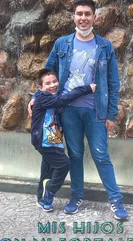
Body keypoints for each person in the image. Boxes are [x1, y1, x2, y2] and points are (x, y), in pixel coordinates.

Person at [29, 0, 128, 220]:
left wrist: (111, 113)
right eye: (79, 14)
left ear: (95, 17)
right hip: (68, 111)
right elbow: (48, 72)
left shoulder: (105, 46)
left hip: (95, 111)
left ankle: (116, 200)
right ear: (73, 16)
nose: (83, 18)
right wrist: (36, 97)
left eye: (87, 14)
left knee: (101, 155)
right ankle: (76, 197)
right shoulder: (62, 44)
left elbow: (113, 82)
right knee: (74, 155)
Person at [31, 67, 96, 212]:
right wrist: (86, 89)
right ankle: (50, 191)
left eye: (55, 81)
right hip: (44, 141)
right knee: (64, 164)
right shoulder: (43, 97)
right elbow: (62, 100)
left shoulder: (48, 96)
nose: (53, 85)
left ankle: (42, 200)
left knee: (47, 169)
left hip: (51, 140)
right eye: (48, 83)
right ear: (40, 88)